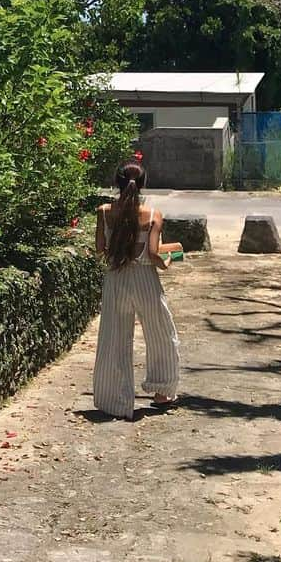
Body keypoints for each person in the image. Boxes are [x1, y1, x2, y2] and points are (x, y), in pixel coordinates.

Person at [92, 162, 180, 420]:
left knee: (114, 337)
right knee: (161, 333)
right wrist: (170, 259)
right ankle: (163, 392)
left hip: (116, 278)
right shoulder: (153, 214)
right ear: (143, 185)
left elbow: (100, 249)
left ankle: (114, 400)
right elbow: (153, 255)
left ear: (117, 183)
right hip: (145, 279)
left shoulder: (104, 212)